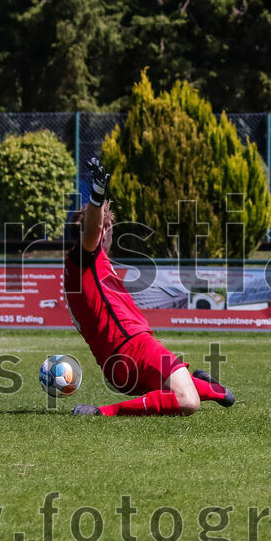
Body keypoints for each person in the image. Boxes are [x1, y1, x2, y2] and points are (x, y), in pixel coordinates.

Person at [66, 157, 234, 417]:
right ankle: (102, 412)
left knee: (184, 390)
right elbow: (91, 232)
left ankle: (216, 391)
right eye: (105, 228)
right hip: (135, 347)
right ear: (101, 229)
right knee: (187, 401)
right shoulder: (86, 260)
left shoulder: (84, 269)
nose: (106, 232)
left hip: (117, 367)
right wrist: (97, 195)